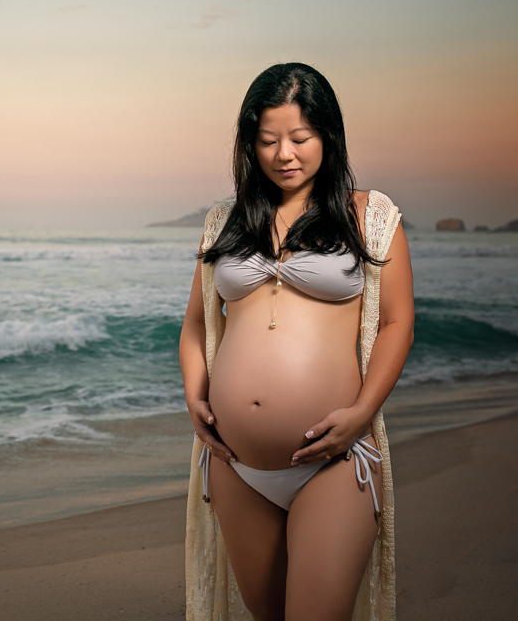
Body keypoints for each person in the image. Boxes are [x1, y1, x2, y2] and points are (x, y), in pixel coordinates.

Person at [179, 63, 414, 621]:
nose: (284, 154)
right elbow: (196, 325)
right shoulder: (225, 221)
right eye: (268, 140)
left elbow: (396, 324)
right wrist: (195, 398)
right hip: (235, 464)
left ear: (328, 136)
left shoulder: (370, 215)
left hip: (334, 460)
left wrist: (361, 413)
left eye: (300, 138)